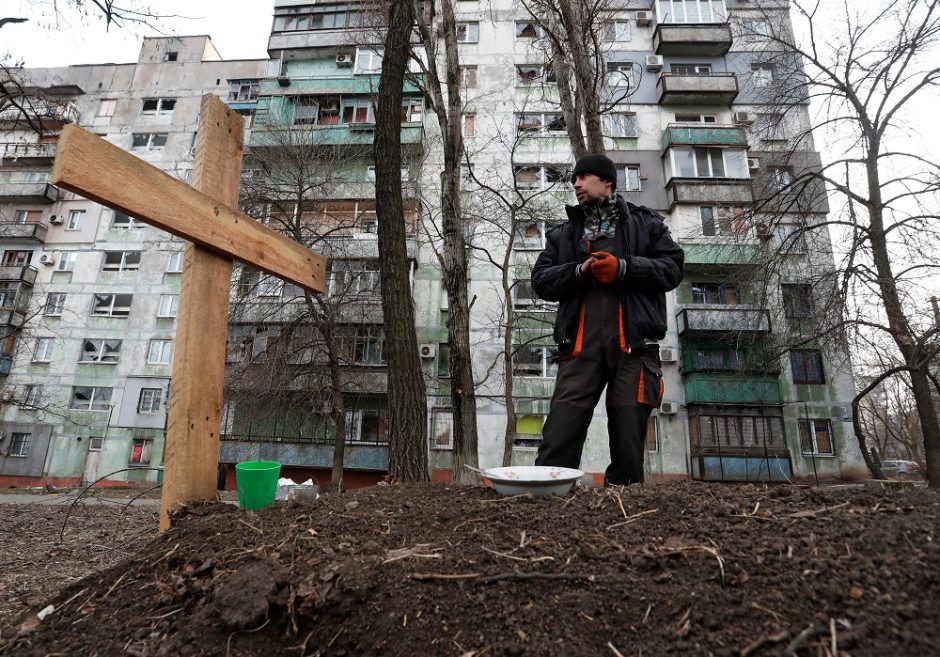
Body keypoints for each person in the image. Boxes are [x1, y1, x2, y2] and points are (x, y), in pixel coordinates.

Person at [531, 154, 684, 485]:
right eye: (574, 179)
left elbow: (673, 269)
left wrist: (624, 268)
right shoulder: (564, 235)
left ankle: (624, 518)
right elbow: (541, 281)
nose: (576, 184)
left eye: (584, 177)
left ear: (608, 183)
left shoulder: (647, 225)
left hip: (633, 350)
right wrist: (579, 270)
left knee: (628, 447)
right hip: (579, 350)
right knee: (558, 439)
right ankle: (544, 502)